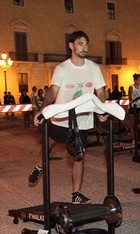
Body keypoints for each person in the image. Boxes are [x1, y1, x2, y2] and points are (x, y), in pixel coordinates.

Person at [28, 30, 107, 204]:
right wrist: (43, 110)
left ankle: (76, 194)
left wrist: (102, 109)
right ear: (71, 46)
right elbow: (52, 91)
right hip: (61, 117)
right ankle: (39, 166)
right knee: (48, 143)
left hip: (82, 121)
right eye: (80, 43)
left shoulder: (94, 68)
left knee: (78, 156)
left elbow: (100, 91)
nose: (84, 47)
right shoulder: (62, 68)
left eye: (86, 44)